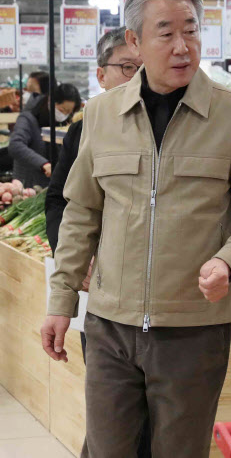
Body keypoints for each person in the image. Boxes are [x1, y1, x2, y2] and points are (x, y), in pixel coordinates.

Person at [41, 0, 231, 458]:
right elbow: (81, 212)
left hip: (193, 330)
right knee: (108, 450)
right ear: (135, 39)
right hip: (111, 324)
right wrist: (61, 299)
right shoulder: (103, 114)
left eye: (191, 30)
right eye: (166, 32)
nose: (182, 46)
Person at [44, 27, 150, 458]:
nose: (136, 77)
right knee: (114, 414)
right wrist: (74, 264)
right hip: (103, 296)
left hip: (163, 306)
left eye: (141, 67)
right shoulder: (86, 129)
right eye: (126, 67)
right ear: (102, 75)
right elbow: (63, 206)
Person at [9, 83, 80, 188]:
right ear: (50, 101)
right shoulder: (28, 119)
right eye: (62, 110)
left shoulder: (64, 124)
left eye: (68, 112)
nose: (64, 115)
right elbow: (15, 145)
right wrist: (43, 164)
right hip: (28, 186)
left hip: (51, 186)